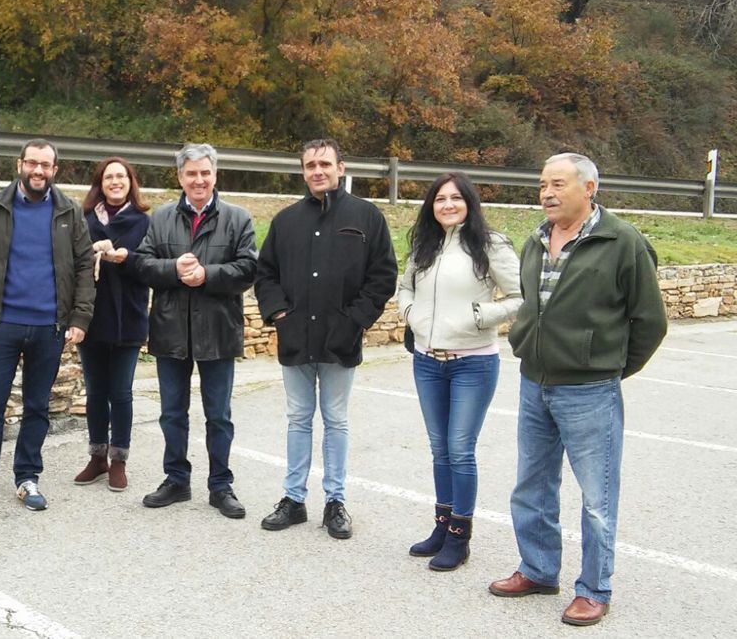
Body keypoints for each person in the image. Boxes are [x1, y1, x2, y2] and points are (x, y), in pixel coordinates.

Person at [489, 153, 667, 627]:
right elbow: (532, 306)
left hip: (590, 390)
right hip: (535, 383)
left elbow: (649, 321)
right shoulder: (535, 240)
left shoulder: (622, 242)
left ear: (588, 189)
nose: (547, 192)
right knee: (532, 486)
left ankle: (594, 588)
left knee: (596, 497)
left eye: (559, 184)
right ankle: (539, 569)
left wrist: (604, 368)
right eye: (543, 184)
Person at [254, 138, 397, 538]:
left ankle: (335, 501)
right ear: (303, 171)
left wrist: (356, 321)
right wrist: (280, 314)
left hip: (340, 339)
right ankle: (293, 499)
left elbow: (383, 275)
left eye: (325, 164)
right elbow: (265, 273)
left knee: (336, 420)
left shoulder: (367, 217)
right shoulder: (285, 221)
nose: (318, 171)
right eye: (310, 165)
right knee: (298, 419)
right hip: (296, 338)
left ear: (341, 167)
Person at [0, 139, 95, 512]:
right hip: (1, 326)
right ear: (19, 165)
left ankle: (27, 478)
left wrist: (79, 318)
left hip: (49, 326)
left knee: (37, 407)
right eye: (32, 163)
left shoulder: (68, 212)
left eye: (45, 165)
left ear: (55, 170)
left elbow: (83, 267)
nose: (38, 171)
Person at [397, 172, 521, 570]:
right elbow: (406, 288)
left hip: (473, 361)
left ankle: (459, 536)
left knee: (460, 450)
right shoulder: (424, 245)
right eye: (439, 199)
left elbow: (523, 296)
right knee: (439, 449)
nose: (447, 205)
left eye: (455, 198)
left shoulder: (490, 244)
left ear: (469, 202)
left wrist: (483, 315)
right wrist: (411, 314)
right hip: (427, 362)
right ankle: (441, 524)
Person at [132, 143, 257, 519]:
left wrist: (208, 275)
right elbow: (141, 263)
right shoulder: (162, 217)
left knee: (218, 415)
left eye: (205, 173)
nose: (199, 180)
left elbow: (249, 269)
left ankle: (221, 485)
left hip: (218, 331)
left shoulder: (238, 218)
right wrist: (173, 268)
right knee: (172, 413)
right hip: (171, 331)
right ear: (180, 177)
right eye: (191, 174)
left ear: (215, 175)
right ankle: (176, 479)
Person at [72, 157, 151, 492]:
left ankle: (119, 460)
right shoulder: (84, 220)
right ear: (100, 184)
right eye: (109, 177)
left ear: (130, 182)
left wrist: (125, 258)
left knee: (121, 393)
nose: (116, 181)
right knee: (95, 392)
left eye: (121, 176)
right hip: (92, 317)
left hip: (128, 317)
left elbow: (150, 265)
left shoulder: (144, 222)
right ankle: (97, 457)